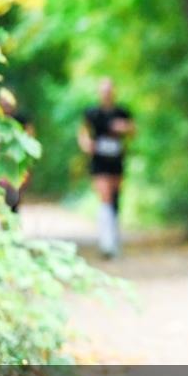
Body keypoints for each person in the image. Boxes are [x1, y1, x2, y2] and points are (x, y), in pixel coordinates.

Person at [78, 78, 134, 259]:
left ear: (114, 92)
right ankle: (106, 243)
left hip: (116, 160)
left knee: (115, 199)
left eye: (109, 90)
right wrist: (87, 144)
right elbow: (83, 133)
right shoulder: (92, 113)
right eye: (103, 90)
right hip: (99, 160)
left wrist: (123, 128)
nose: (106, 94)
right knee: (105, 197)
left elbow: (133, 132)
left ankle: (113, 238)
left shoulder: (122, 112)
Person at [0, 87, 34, 213]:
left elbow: (30, 139)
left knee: (15, 194)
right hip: (0, 161)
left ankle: (13, 217)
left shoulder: (21, 119)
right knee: (1, 194)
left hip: (17, 161)